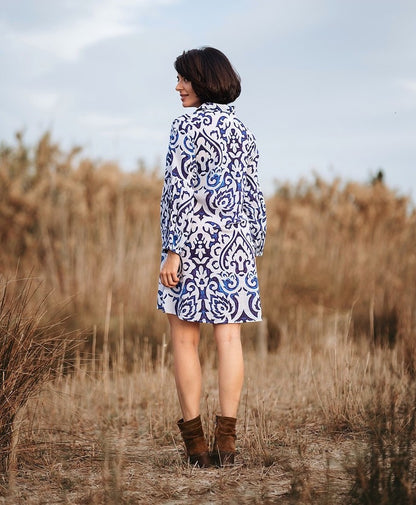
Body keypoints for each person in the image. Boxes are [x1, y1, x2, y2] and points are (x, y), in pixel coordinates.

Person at [157, 47, 266, 468]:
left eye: (184, 78)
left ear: (204, 80)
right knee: (230, 339)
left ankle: (196, 448)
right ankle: (228, 443)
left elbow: (180, 193)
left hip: (191, 246)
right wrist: (250, 247)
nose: (178, 86)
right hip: (235, 247)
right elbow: (254, 195)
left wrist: (173, 250)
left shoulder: (184, 127)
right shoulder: (244, 132)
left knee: (185, 339)